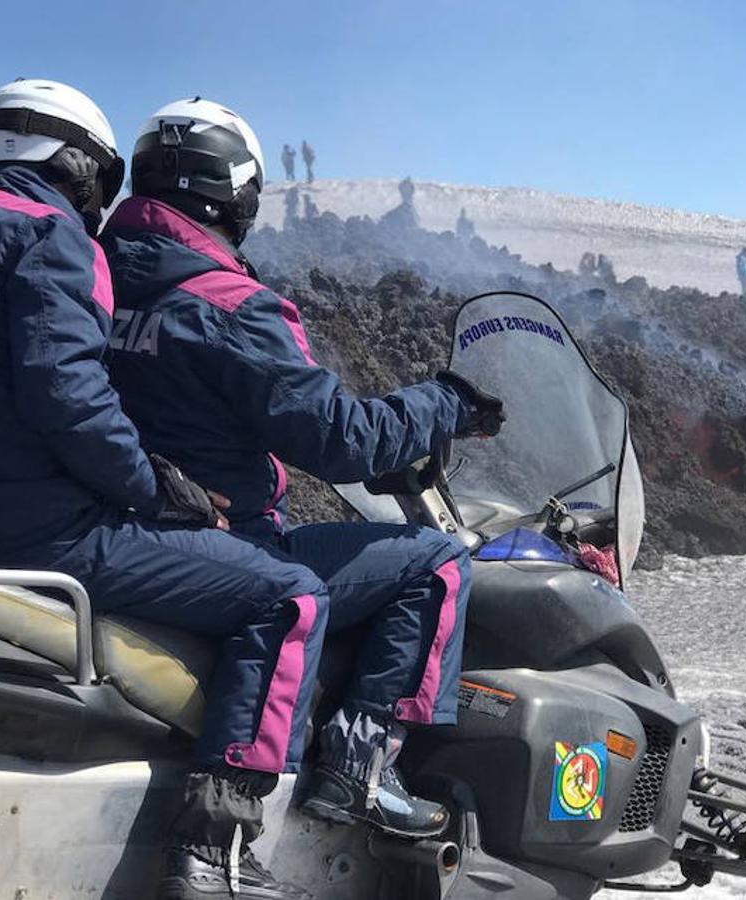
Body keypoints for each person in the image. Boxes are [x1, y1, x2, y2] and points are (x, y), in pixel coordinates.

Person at [0, 81, 328, 900]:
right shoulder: (53, 237)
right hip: (39, 529)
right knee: (292, 596)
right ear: (76, 163)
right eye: (99, 176)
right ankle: (217, 854)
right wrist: (152, 489)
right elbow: (68, 399)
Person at [102, 98, 505, 848]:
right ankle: (362, 768)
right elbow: (344, 441)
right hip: (228, 541)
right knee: (437, 562)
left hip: (116, 530)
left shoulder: (91, 281)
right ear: (237, 191)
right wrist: (445, 402)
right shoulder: (229, 305)